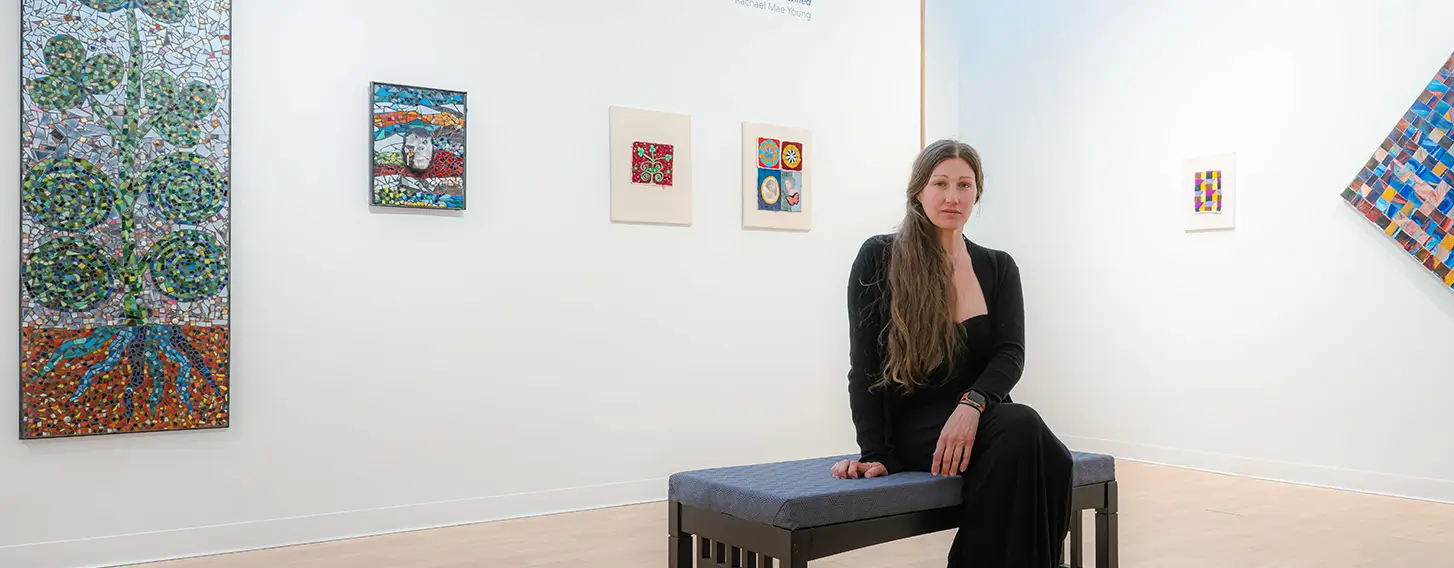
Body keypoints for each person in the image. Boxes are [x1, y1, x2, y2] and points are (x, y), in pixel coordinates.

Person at [830, 139, 1074, 567]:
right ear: (918, 191)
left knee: (1052, 456)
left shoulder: (998, 266)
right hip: (918, 428)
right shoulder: (880, 257)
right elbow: (863, 367)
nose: (952, 196)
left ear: (977, 193)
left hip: (979, 419)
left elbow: (1010, 354)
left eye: (964, 185)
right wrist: (874, 454)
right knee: (1023, 427)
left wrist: (972, 404)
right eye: (940, 183)